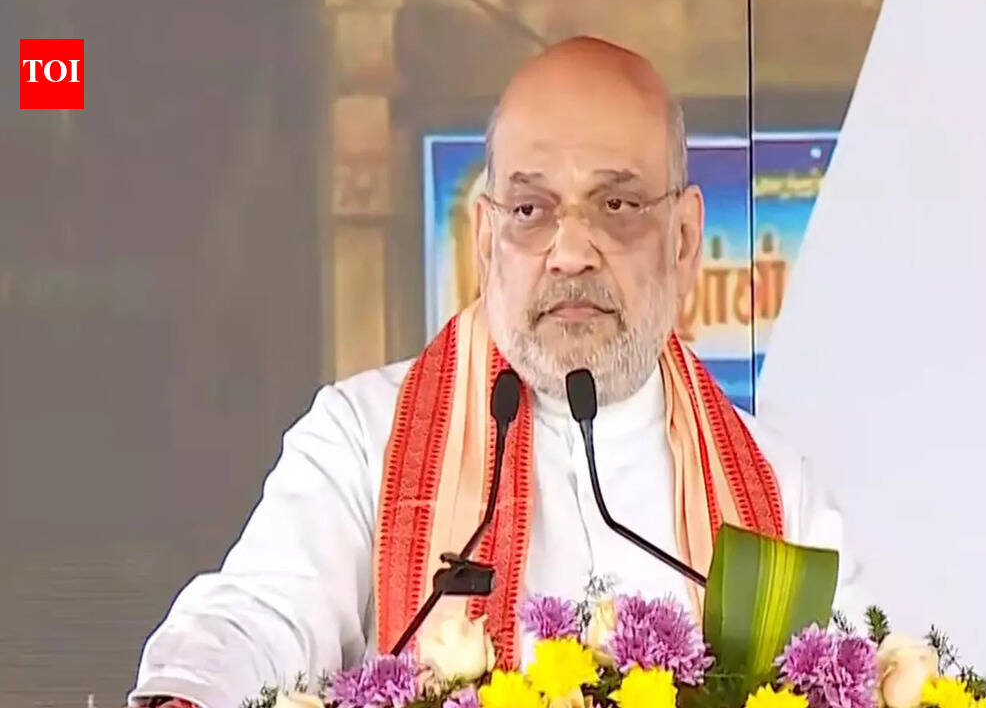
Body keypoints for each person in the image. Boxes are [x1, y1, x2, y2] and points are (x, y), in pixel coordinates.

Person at [128, 36, 865, 708]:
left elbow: (858, 672)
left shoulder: (779, 496)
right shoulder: (362, 441)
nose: (570, 251)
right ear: (484, 238)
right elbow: (256, 619)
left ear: (682, 240)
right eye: (530, 208)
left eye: (616, 204)